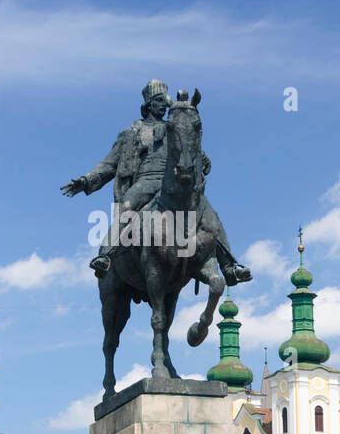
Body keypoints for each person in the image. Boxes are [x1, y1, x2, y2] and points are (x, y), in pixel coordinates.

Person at [62, 79, 251, 285]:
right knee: (127, 209)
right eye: (160, 101)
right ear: (149, 104)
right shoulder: (132, 132)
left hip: (172, 184)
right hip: (144, 182)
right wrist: (86, 180)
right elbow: (109, 164)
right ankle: (106, 255)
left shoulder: (176, 126)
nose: (165, 105)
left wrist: (202, 158)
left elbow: (190, 149)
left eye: (166, 101)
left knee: (209, 214)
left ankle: (229, 266)